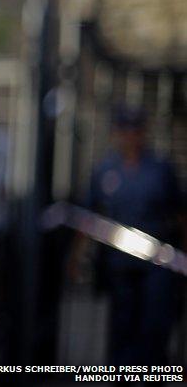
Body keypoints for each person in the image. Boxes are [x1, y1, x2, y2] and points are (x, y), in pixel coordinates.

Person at [70, 105, 184, 365]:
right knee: (122, 328)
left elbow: (180, 214)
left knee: (154, 329)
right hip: (119, 265)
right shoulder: (105, 170)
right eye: (125, 129)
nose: (130, 136)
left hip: (157, 265)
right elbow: (89, 217)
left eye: (135, 130)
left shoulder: (160, 169)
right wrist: (75, 257)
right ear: (116, 133)